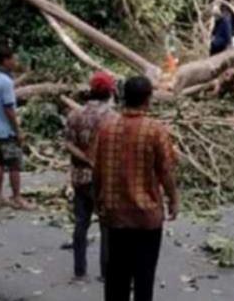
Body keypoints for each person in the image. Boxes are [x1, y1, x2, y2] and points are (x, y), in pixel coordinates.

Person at [93, 76, 179, 301]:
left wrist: (98, 202)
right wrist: (173, 199)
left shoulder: (106, 128)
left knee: (116, 278)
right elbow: (166, 171)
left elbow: (98, 171)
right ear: (148, 100)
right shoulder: (155, 130)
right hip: (146, 217)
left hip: (115, 216)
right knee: (144, 278)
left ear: (123, 98)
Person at [64, 71, 117, 281]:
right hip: (103, 179)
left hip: (79, 177)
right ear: (110, 92)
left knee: (81, 223)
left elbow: (68, 143)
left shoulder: (75, 114)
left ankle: (79, 269)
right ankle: (106, 272)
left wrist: (84, 157)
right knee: (107, 226)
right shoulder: (112, 118)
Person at [0, 46, 31, 209]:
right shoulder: (5, 82)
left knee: (0, 162)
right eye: (14, 59)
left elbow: (6, 88)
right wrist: (17, 130)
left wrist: (25, 77)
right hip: (6, 129)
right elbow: (9, 108)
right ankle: (17, 198)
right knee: (14, 164)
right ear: (6, 60)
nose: (15, 62)